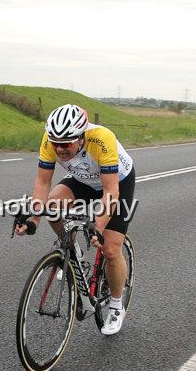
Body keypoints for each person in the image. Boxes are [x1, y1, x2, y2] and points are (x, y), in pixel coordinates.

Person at [14, 104, 136, 335]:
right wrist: (33, 220)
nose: (59, 148)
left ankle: (117, 304)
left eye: (66, 143)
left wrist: (98, 227)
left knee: (110, 249)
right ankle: (74, 250)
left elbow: (110, 192)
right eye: (55, 142)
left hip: (116, 182)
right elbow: (42, 183)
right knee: (51, 208)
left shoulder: (101, 139)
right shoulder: (51, 141)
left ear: (81, 137)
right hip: (84, 179)